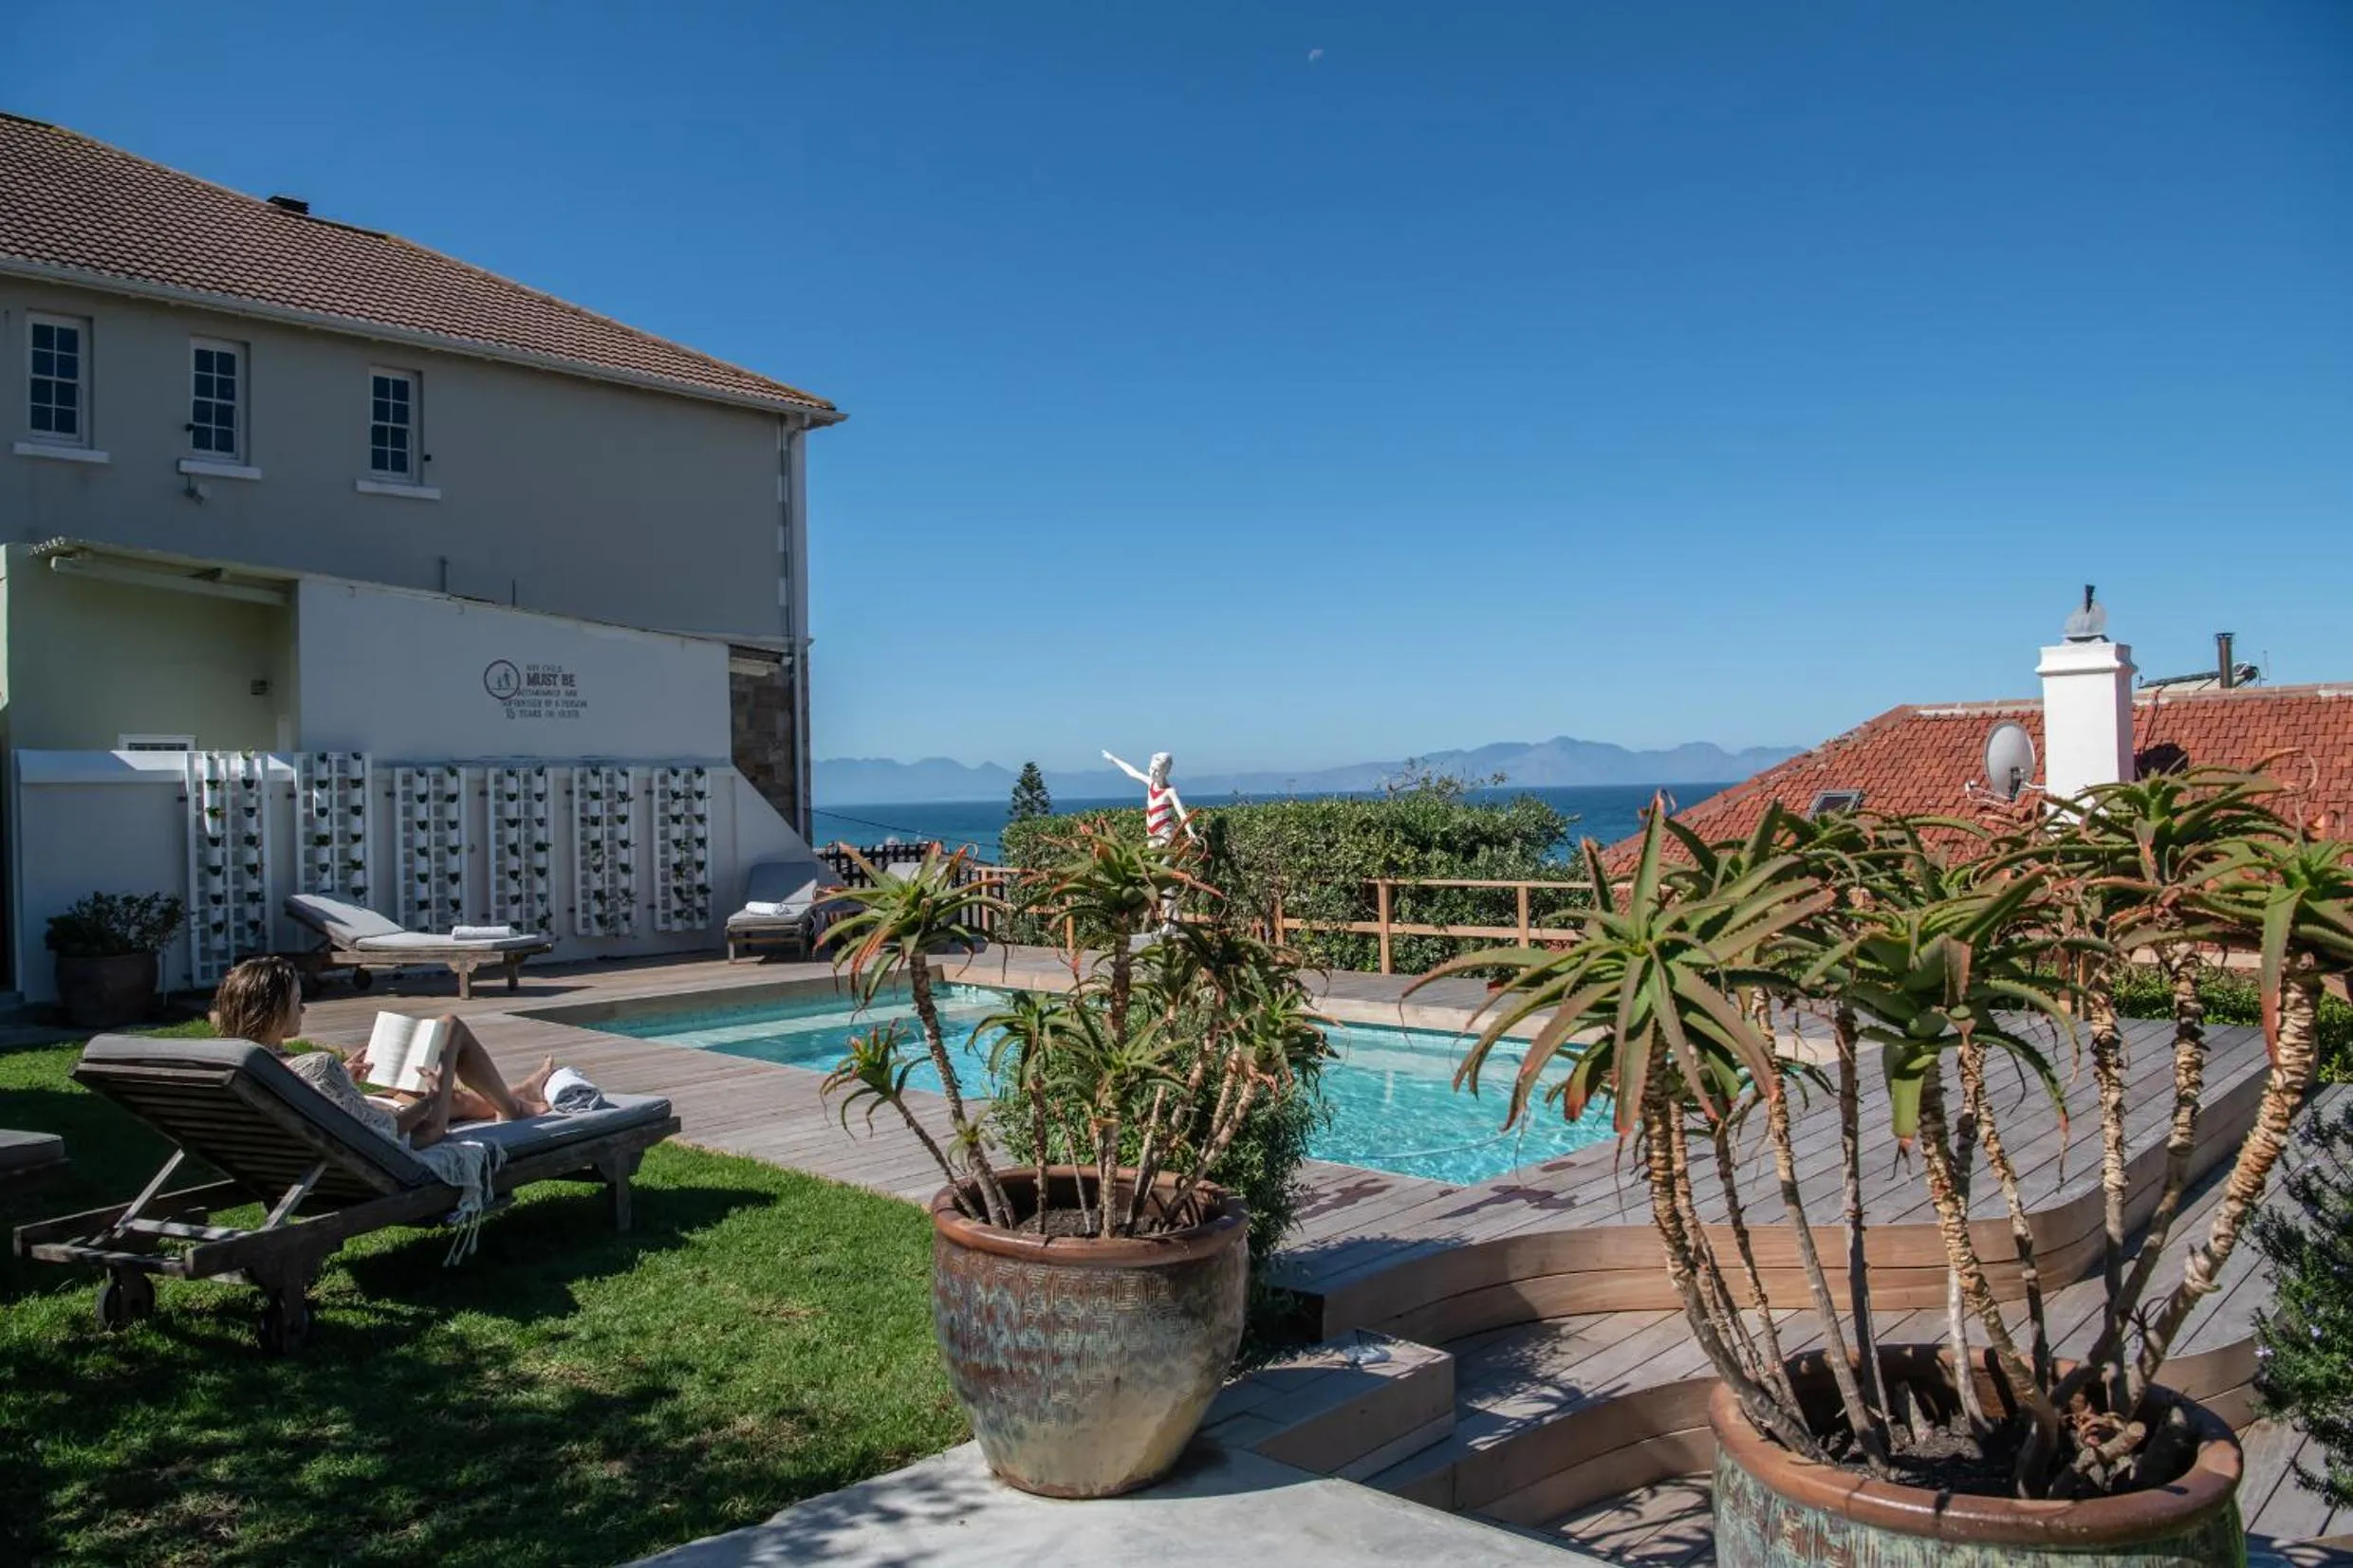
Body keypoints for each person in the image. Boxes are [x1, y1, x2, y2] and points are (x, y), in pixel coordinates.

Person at [209, 957, 554, 1150]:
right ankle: (514, 1106)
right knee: (449, 1027)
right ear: (272, 1011)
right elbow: (386, 1131)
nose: (304, 1008)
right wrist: (431, 1102)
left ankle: (517, 1098)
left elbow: (307, 1096)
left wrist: (340, 1076)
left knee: (451, 1101)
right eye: (296, 1001)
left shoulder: (234, 1060)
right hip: (399, 1142)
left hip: (310, 1148)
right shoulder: (312, 1068)